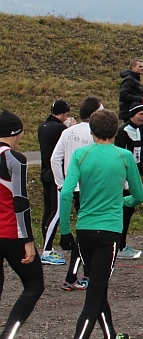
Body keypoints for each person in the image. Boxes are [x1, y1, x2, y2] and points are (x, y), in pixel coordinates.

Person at [59, 109, 143, 339]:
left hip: (84, 230)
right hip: (109, 232)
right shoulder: (124, 155)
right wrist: (121, 202)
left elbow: (65, 194)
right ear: (116, 132)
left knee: (97, 285)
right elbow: (138, 195)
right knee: (94, 295)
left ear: (91, 132)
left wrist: (64, 231)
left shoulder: (80, 155)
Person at [0, 111, 44, 339]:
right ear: (17, 134)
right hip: (11, 233)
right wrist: (28, 240)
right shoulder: (14, 158)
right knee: (34, 284)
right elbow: (21, 201)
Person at [52, 97, 104, 292]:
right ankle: (75, 276)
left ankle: (86, 273)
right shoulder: (95, 134)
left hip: (72, 188)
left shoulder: (68, 132)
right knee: (88, 233)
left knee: (87, 231)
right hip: (89, 190)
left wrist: (62, 184)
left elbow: (55, 159)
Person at [38, 99, 73, 266]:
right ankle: (46, 249)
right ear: (62, 113)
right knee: (57, 212)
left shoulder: (42, 127)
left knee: (48, 211)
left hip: (45, 173)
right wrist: (70, 128)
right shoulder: (60, 129)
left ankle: (47, 245)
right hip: (56, 175)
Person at [113, 103, 143, 260]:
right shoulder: (123, 132)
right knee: (124, 210)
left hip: (134, 174)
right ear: (132, 114)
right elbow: (119, 156)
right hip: (123, 176)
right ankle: (119, 245)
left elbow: (138, 156)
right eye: (140, 114)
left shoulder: (140, 130)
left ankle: (121, 243)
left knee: (130, 209)